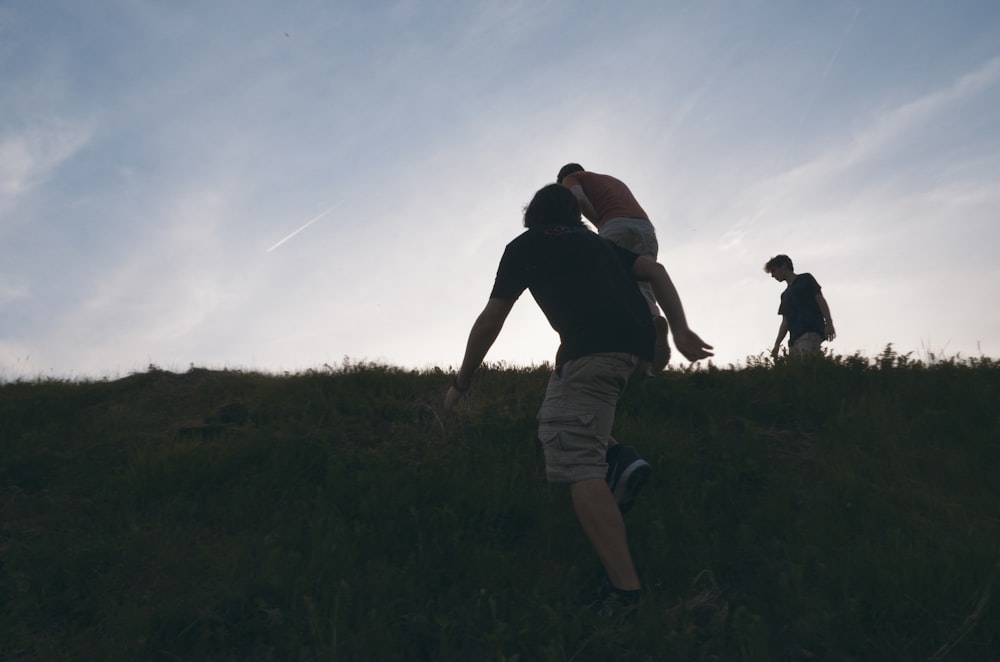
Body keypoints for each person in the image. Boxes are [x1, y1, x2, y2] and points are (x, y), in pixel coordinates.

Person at [444, 184, 712, 613]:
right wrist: (678, 330)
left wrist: (461, 383)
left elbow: (492, 318)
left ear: (533, 216)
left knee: (574, 456)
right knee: (557, 420)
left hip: (592, 350)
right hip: (636, 352)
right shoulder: (598, 243)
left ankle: (625, 593)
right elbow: (655, 272)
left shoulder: (524, 246)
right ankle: (621, 461)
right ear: (575, 215)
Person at [557, 163, 671, 370]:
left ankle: (624, 349)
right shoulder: (610, 180)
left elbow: (578, 198)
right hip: (645, 228)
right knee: (643, 284)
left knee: (614, 285)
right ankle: (653, 329)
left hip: (614, 225)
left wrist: (600, 224)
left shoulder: (571, 178)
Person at [764, 254, 836, 356]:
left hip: (810, 332)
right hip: (793, 340)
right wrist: (777, 344)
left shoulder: (806, 279)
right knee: (797, 370)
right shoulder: (785, 295)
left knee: (809, 366)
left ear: (784, 266)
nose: (772, 275)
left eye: (774, 270)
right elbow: (785, 322)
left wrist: (829, 323)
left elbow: (820, 300)